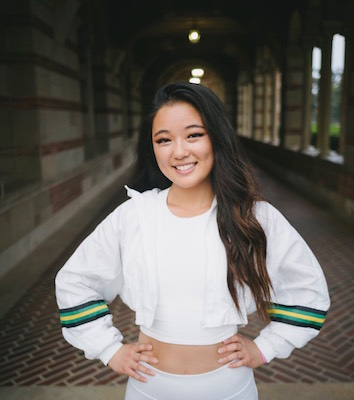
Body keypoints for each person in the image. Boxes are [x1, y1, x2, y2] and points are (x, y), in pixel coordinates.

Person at [55, 82, 330, 400]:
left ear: (217, 137)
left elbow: (309, 291)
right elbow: (75, 281)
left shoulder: (254, 217)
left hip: (229, 389)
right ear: (152, 147)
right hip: (149, 389)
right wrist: (109, 349)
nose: (179, 151)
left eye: (194, 135)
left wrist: (264, 347)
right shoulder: (134, 217)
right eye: (164, 140)